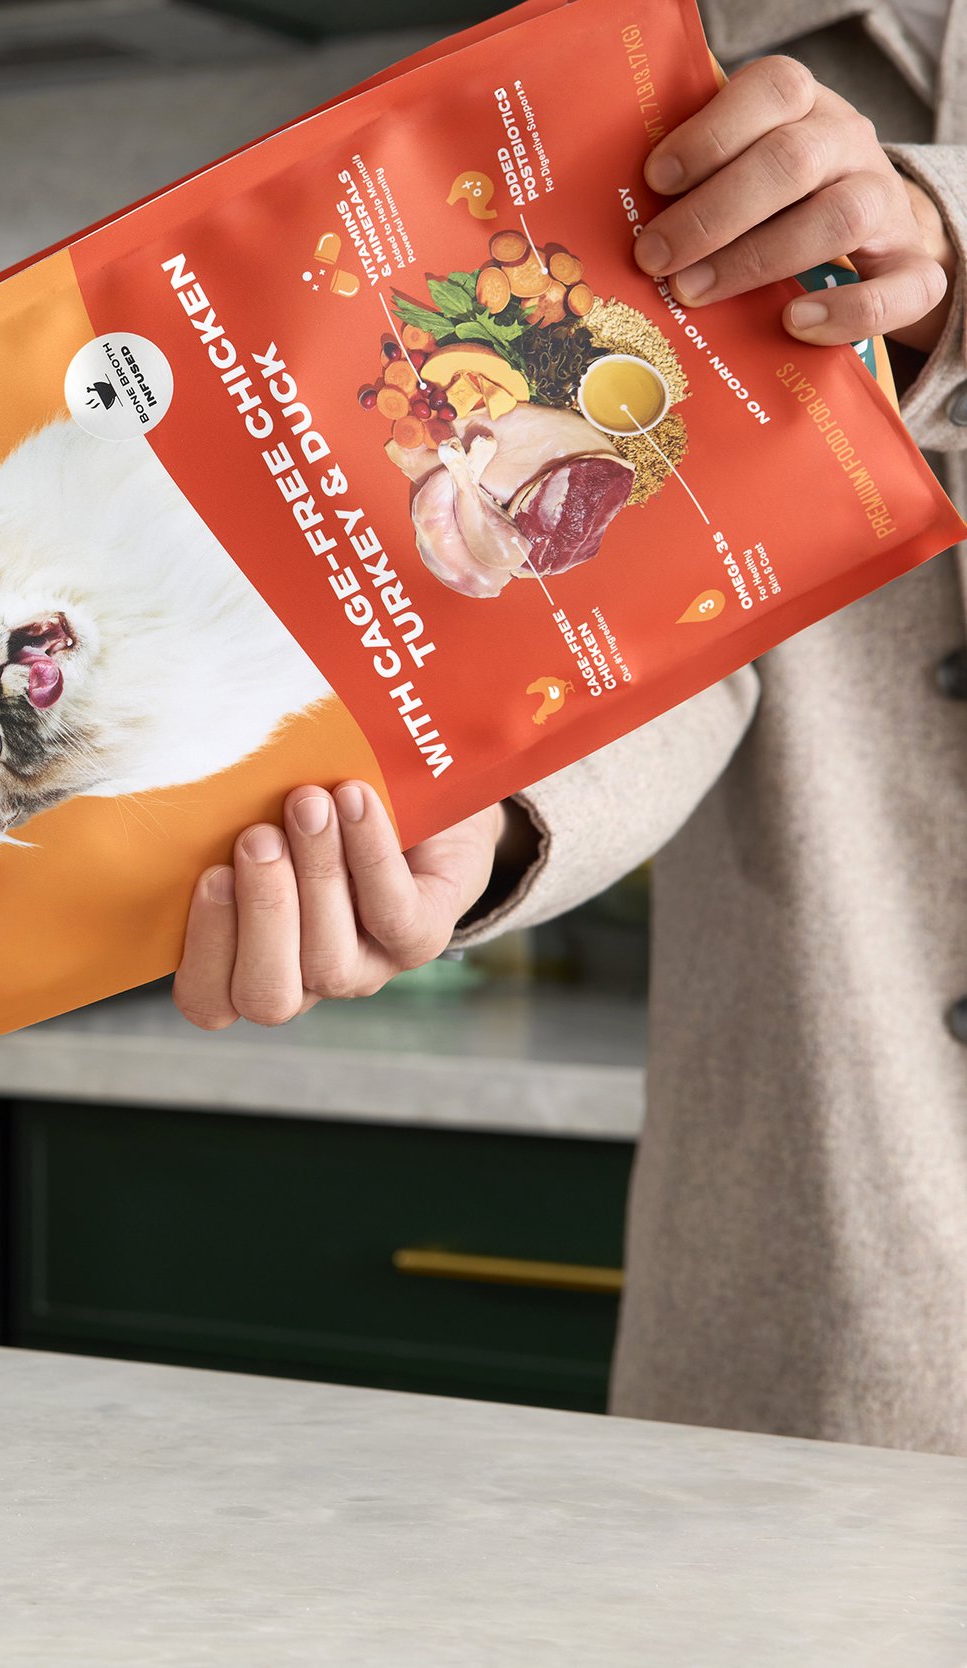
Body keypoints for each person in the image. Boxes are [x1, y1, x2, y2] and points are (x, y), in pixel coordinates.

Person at [172, 1, 967, 1457]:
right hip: (830, 1302)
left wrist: (951, 237)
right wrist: (481, 813)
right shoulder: (657, 63)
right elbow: (671, 613)